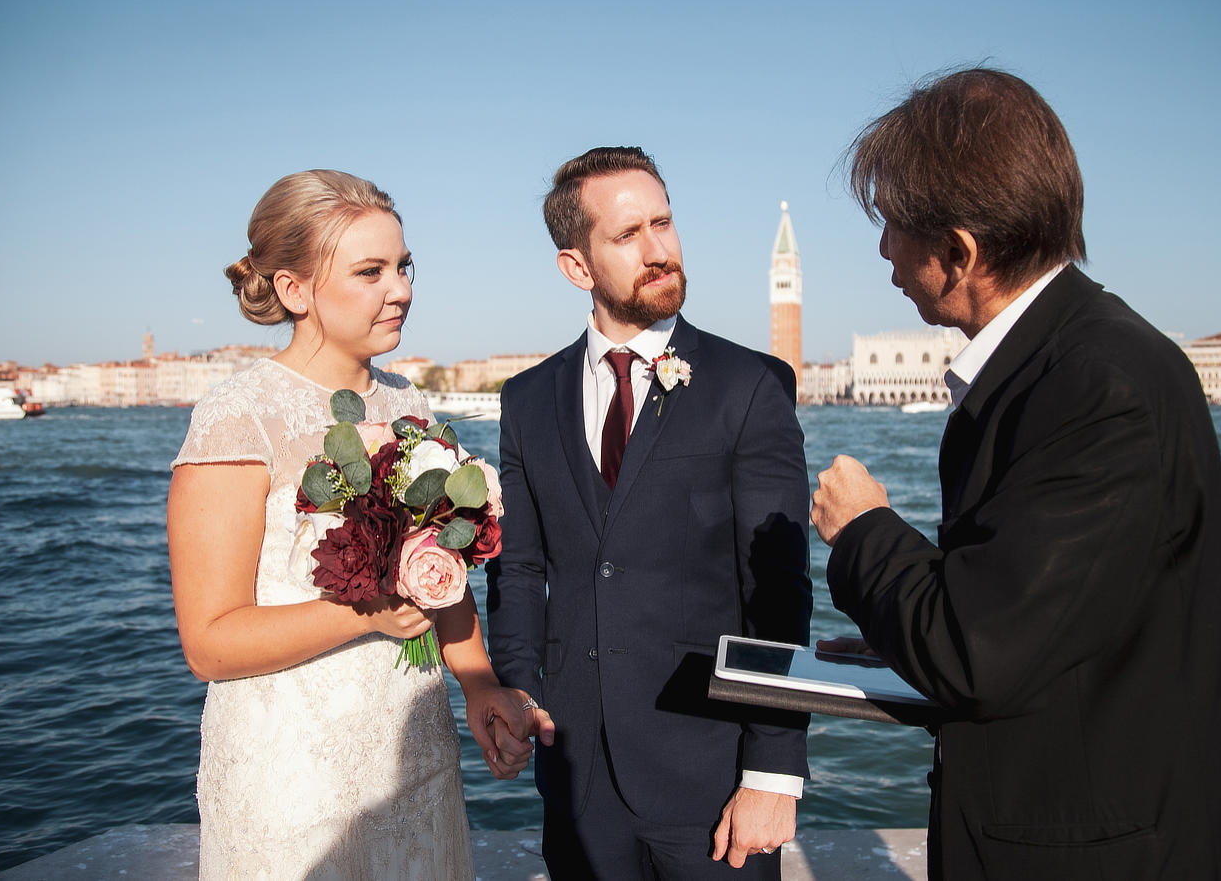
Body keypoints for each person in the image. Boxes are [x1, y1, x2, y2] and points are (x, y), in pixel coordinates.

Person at [810, 69, 1221, 879]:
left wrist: (863, 531)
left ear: (959, 252)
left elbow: (975, 649)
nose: (883, 250)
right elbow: (1044, 619)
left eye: (894, 225)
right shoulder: (1076, 359)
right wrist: (903, 628)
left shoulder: (1095, 386)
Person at [168, 169, 533, 879]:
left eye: (403, 266)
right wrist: (363, 614)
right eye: (370, 271)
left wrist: (480, 683)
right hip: (290, 783)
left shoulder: (410, 401)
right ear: (293, 289)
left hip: (415, 765)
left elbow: (439, 574)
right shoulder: (238, 417)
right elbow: (208, 644)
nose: (400, 288)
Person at [484, 147, 812, 879]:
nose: (659, 249)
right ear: (577, 266)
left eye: (663, 222)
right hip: (574, 772)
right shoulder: (526, 399)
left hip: (713, 773)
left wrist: (773, 768)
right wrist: (516, 687)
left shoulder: (752, 384)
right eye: (628, 235)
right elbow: (519, 566)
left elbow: (780, 592)